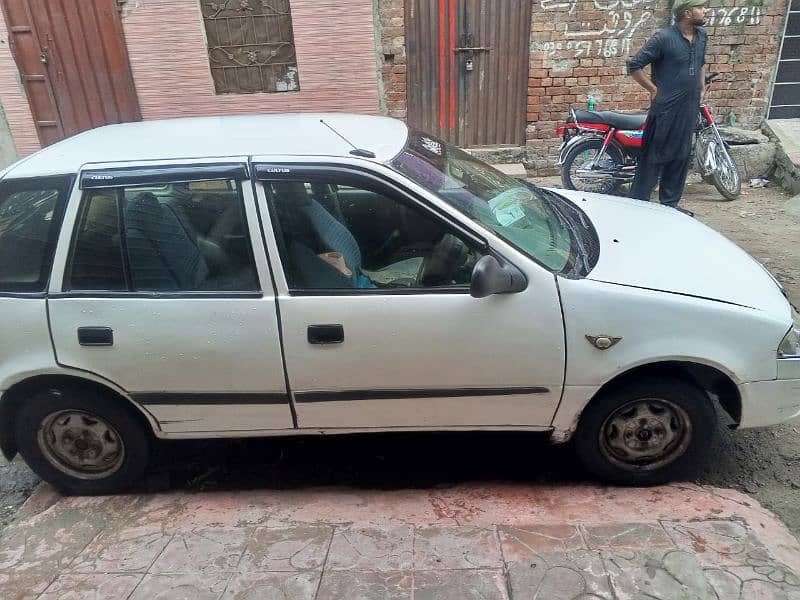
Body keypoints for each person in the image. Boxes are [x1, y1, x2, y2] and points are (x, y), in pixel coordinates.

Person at [627, 0, 708, 209]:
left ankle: (669, 206)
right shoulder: (663, 38)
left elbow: (700, 63)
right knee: (653, 157)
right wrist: (653, 90)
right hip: (665, 110)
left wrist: (701, 87)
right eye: (701, 7)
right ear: (688, 13)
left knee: (681, 157)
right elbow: (634, 65)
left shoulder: (702, 37)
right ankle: (637, 205)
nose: (705, 11)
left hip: (688, 108)